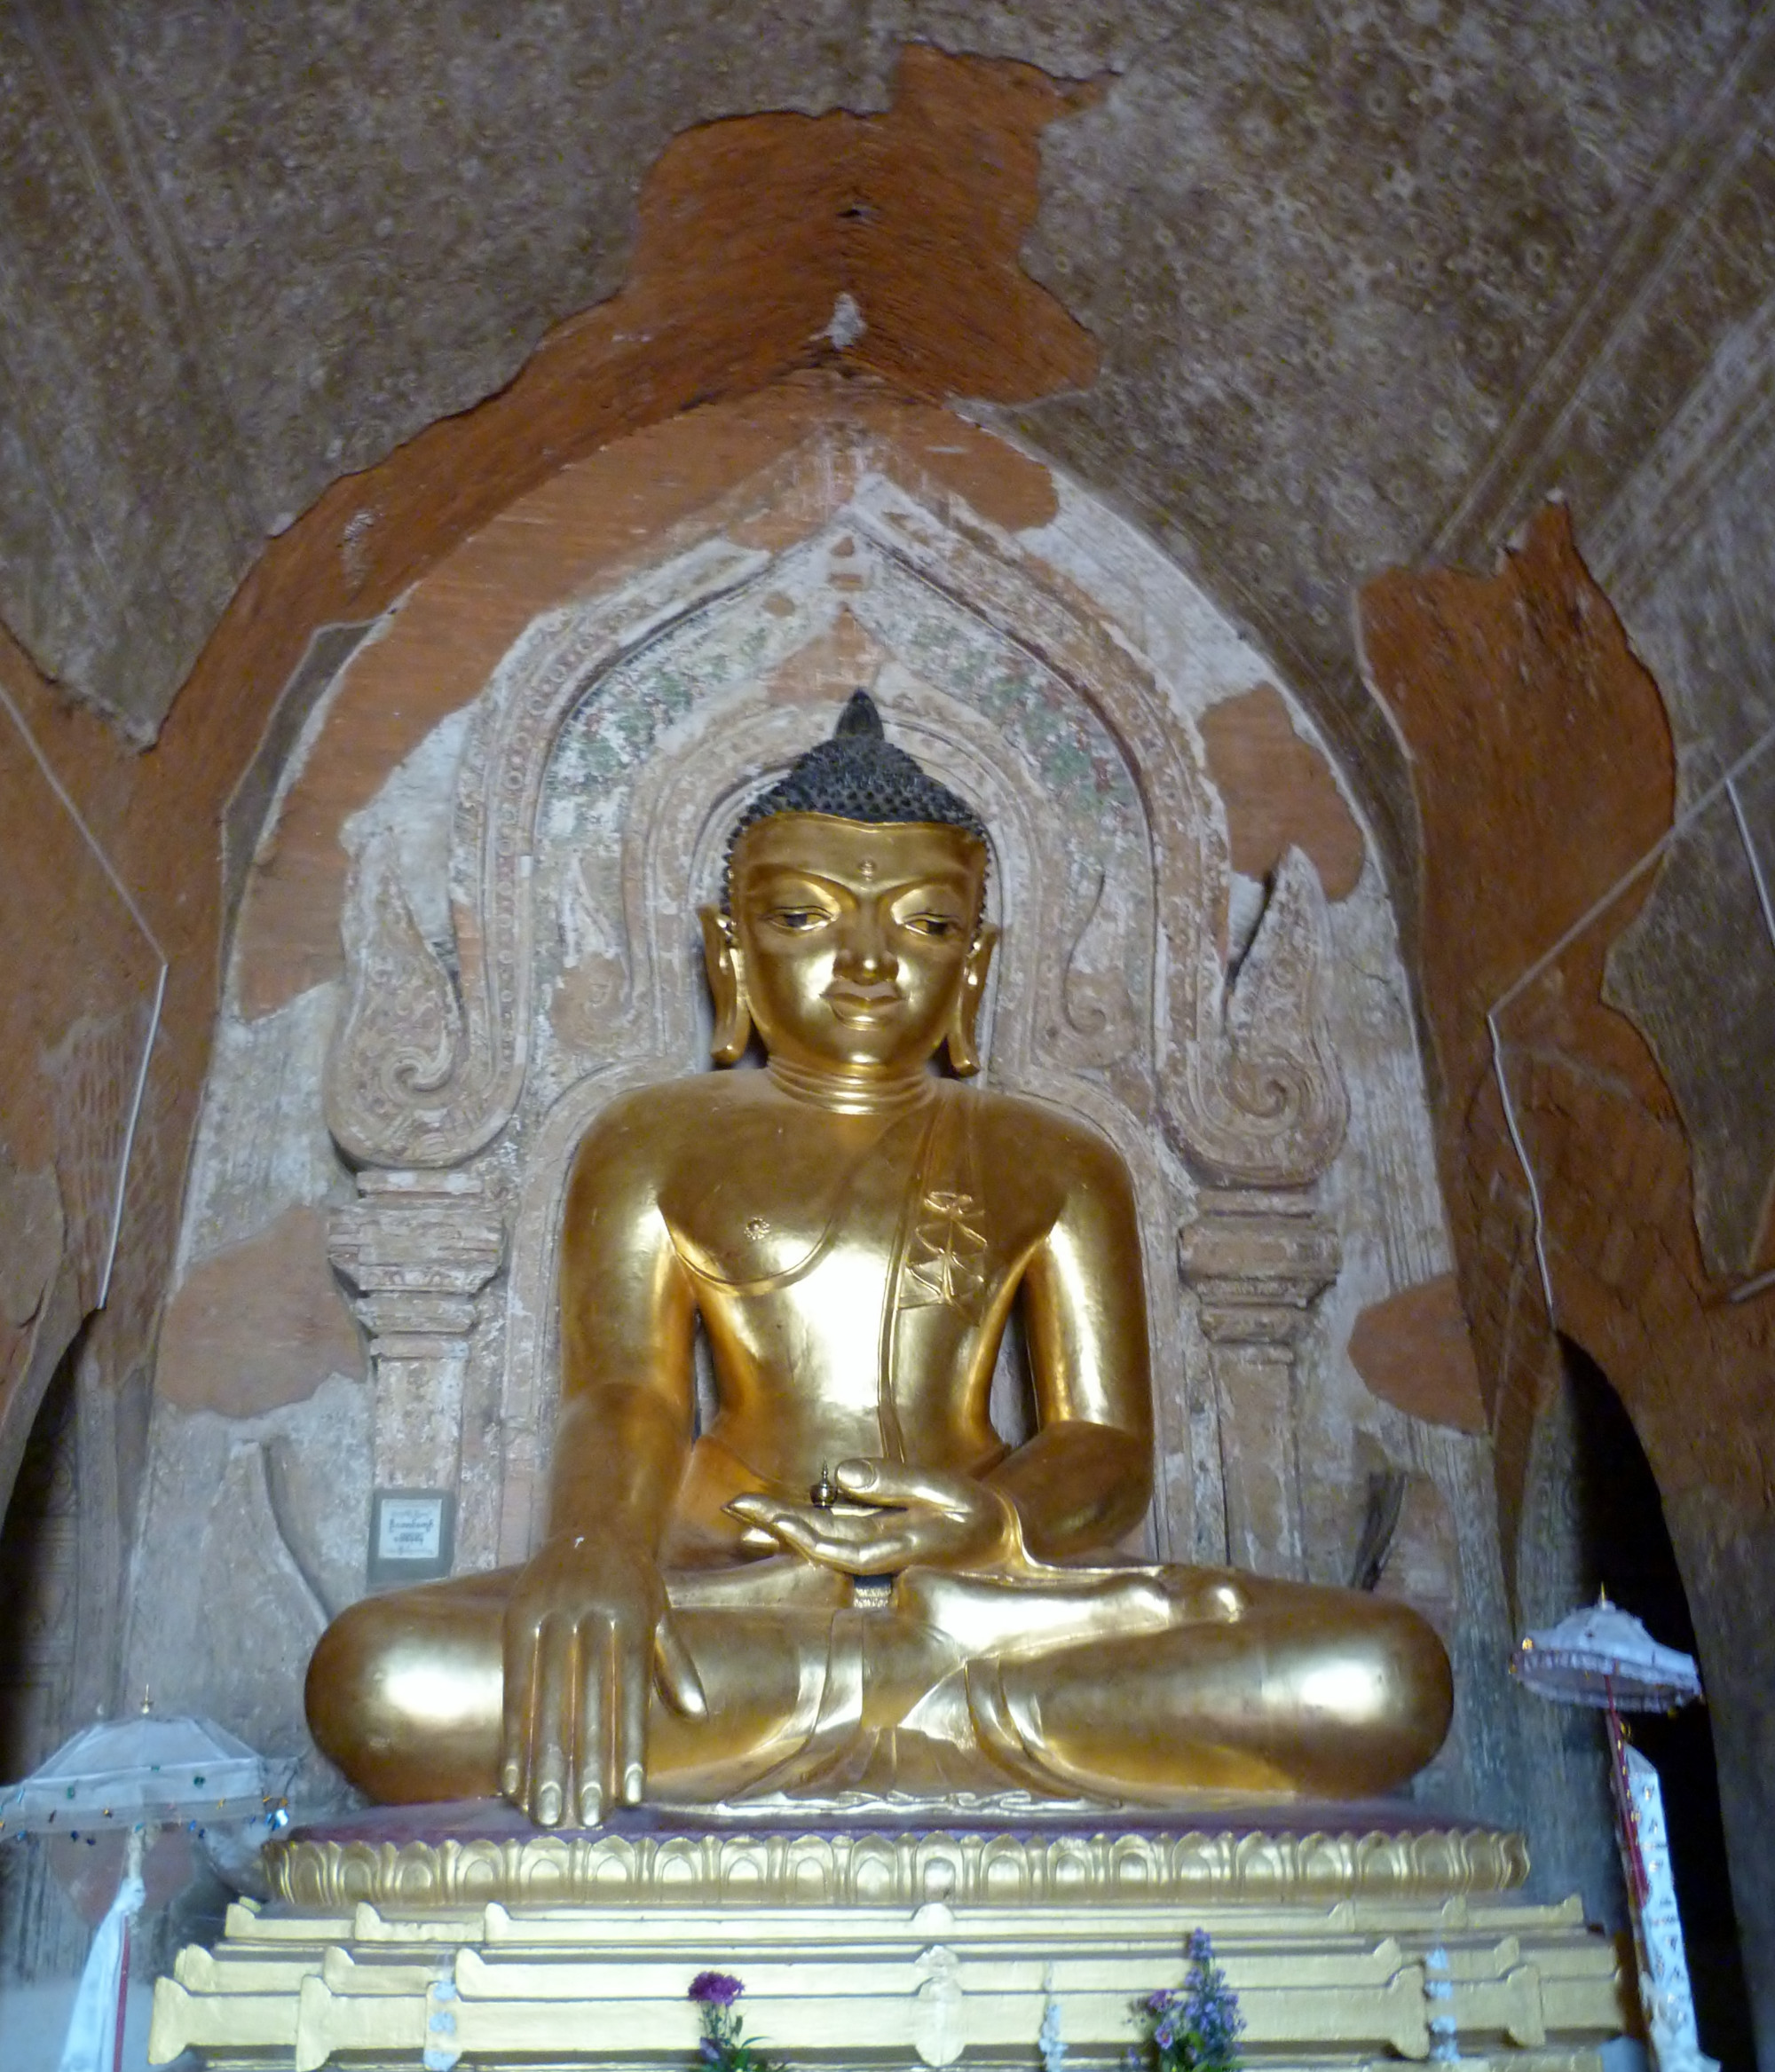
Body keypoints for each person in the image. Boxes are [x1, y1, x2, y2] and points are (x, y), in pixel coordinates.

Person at [307, 694, 1451, 1826]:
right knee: (380, 1677)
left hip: (992, 1599)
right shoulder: (648, 1140)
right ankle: (930, 1724)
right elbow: (626, 1394)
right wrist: (595, 1549)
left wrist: (991, 1528)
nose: (866, 961)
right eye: (804, 918)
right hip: (737, 1585)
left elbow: (1101, 1446)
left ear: (976, 967)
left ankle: (856, 1717)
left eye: (924, 924)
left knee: (1382, 1675)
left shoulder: (1057, 1158)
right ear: (730, 953)